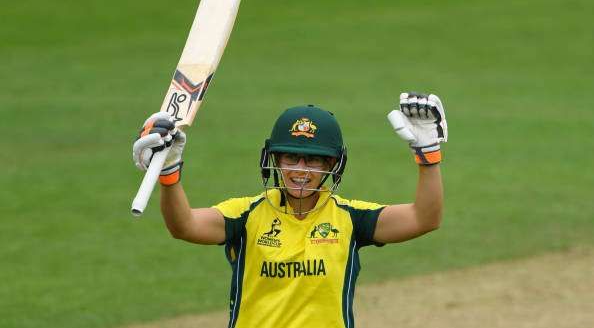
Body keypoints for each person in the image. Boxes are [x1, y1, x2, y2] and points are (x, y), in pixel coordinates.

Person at [132, 92, 448, 328]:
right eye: (290, 158)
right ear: (275, 159)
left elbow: (425, 218)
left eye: (312, 160)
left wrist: (428, 157)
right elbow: (183, 226)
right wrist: (170, 175)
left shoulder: (350, 218)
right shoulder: (245, 214)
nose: (300, 169)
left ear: (331, 165)